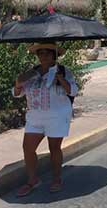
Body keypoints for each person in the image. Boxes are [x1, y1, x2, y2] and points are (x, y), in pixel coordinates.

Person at [13, 43, 78, 196]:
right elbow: (17, 93)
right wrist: (17, 83)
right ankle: (32, 180)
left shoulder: (63, 71)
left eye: (47, 53)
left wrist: (61, 79)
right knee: (28, 148)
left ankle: (56, 179)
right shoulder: (31, 73)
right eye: (40, 53)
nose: (43, 56)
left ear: (54, 55)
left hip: (57, 116)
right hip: (35, 117)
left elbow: (73, 90)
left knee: (54, 148)